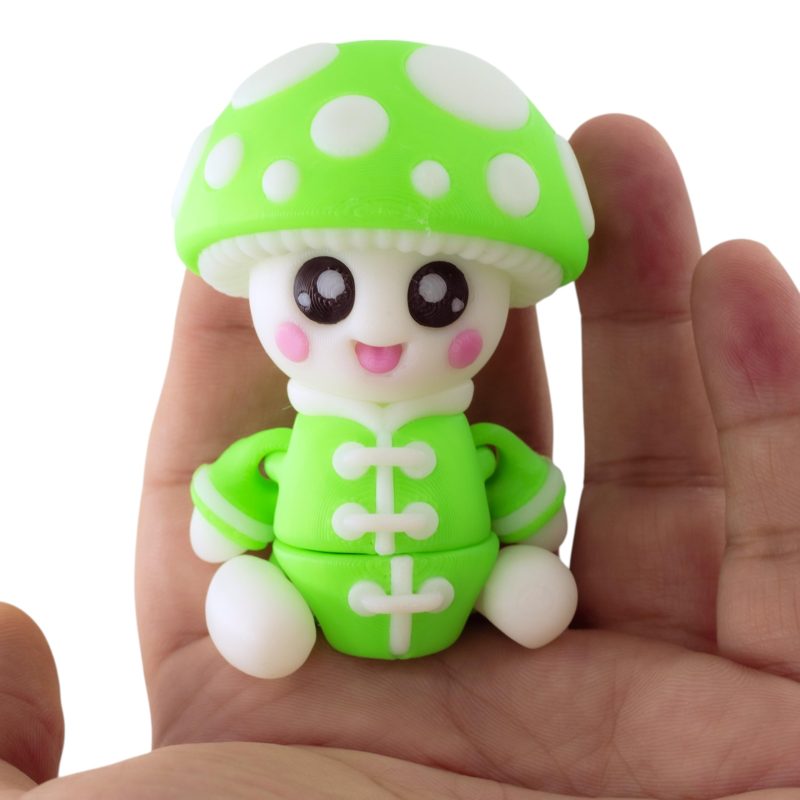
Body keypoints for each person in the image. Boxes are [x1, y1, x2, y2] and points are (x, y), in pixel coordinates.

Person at [2, 115, 799, 799]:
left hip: (458, 585)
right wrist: (230, 531)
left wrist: (528, 532)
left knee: (536, 599)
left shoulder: (474, 445)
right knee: (255, 610)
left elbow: (516, 488)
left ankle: (490, 588)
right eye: (325, 292)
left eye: (436, 295)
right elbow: (236, 500)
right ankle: (265, 601)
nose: (378, 330)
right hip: (315, 598)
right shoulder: (292, 450)